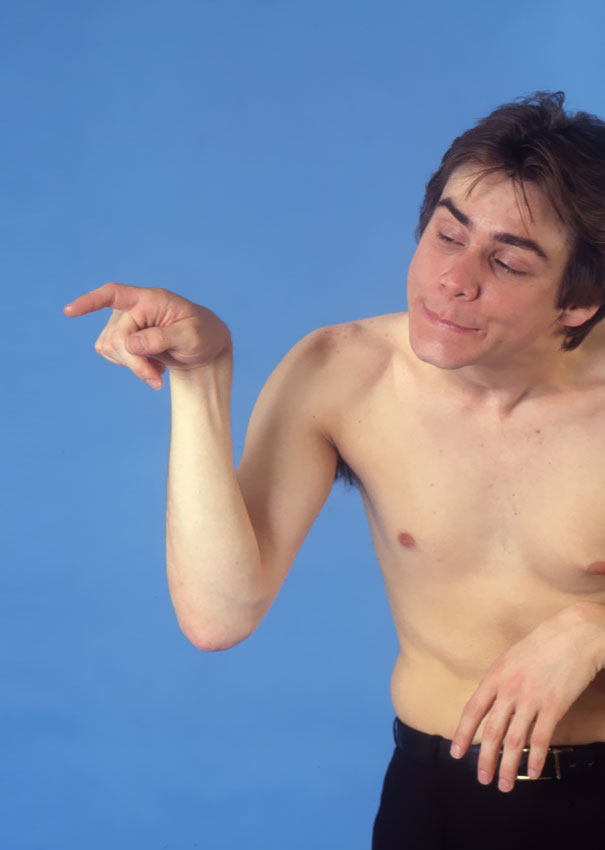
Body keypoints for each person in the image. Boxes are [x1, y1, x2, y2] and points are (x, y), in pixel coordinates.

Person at [64, 90, 605, 848]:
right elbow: (220, 613)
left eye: (506, 262)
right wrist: (202, 378)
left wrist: (592, 627)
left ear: (577, 301)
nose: (454, 280)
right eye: (446, 236)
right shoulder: (342, 373)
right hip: (438, 795)